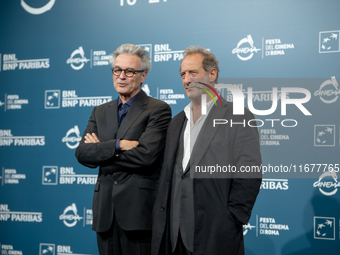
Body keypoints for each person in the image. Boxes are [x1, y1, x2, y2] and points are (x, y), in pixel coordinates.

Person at [151, 46, 262, 255]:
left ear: (212, 74)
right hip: (173, 236)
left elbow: (249, 172)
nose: (186, 79)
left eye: (193, 72)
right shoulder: (176, 122)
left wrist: (233, 217)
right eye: (183, 74)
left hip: (215, 234)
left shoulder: (238, 116)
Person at [75, 43, 171, 255]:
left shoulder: (158, 109)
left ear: (143, 76)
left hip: (138, 213)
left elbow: (146, 156)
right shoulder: (100, 111)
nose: (122, 76)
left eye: (129, 71)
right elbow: (82, 154)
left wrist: (101, 151)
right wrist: (119, 145)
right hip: (104, 214)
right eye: (117, 70)